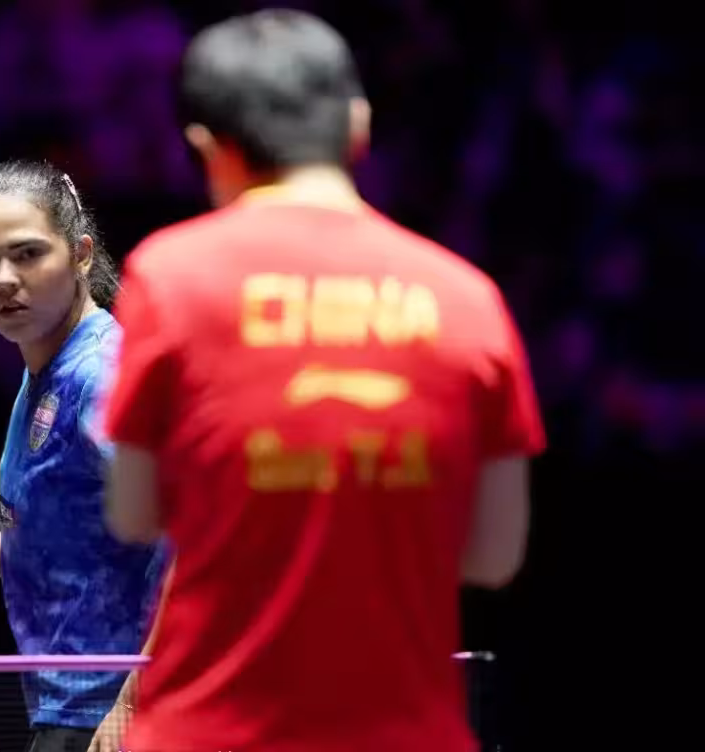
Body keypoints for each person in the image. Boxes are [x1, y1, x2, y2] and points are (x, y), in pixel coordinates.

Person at [101, 9, 545, 752]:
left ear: (209, 149)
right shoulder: (469, 298)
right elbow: (493, 556)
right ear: (358, 128)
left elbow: (136, 513)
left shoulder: (169, 277)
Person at [0, 159, 167, 752]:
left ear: (81, 254)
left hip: (113, 716)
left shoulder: (99, 377)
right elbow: (85, 550)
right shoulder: (47, 371)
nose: (4, 279)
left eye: (27, 254)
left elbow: (193, 540)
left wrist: (135, 701)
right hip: (73, 709)